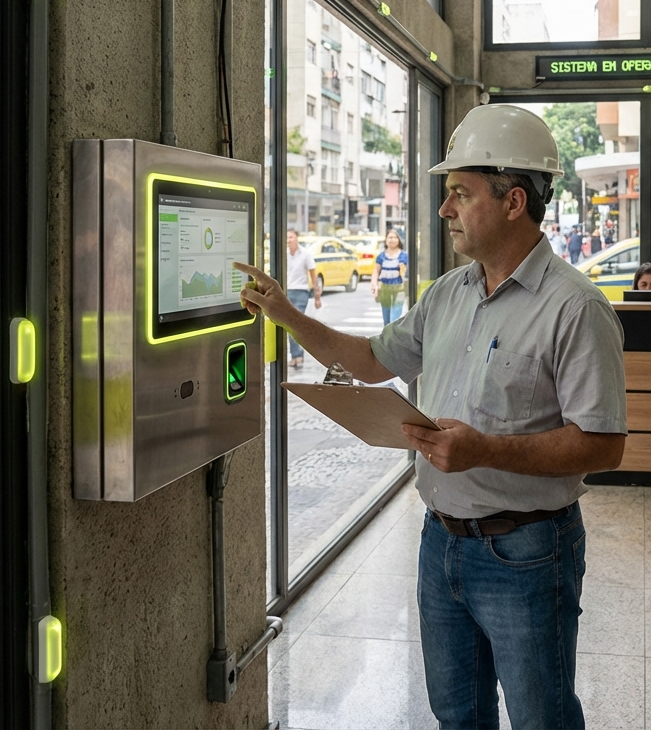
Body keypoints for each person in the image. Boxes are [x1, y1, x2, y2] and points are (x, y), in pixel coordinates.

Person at [235, 103, 626, 729]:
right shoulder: (448, 294)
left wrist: (485, 450)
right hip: (439, 542)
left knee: (540, 719)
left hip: (528, 553)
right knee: (455, 715)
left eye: (459, 194)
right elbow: (369, 360)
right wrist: (285, 313)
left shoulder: (576, 309)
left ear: (513, 201)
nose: (444, 210)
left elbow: (604, 446)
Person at [284, 228, 321, 367]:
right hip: (286, 292)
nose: (289, 240)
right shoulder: (283, 254)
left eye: (291, 237)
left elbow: (313, 274)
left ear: (297, 238)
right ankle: (297, 354)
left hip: (301, 293)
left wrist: (317, 296)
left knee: (294, 324)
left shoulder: (305, 254)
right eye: (287, 237)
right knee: (290, 325)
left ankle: (297, 355)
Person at [371, 228, 408, 325]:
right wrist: (374, 285)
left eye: (395, 237)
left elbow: (407, 272)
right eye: (390, 237)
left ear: (399, 240)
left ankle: (392, 338)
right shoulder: (381, 256)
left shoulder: (404, 255)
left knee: (394, 319)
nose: (392, 240)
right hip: (385, 289)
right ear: (386, 240)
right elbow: (376, 271)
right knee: (386, 319)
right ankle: (387, 339)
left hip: (399, 289)